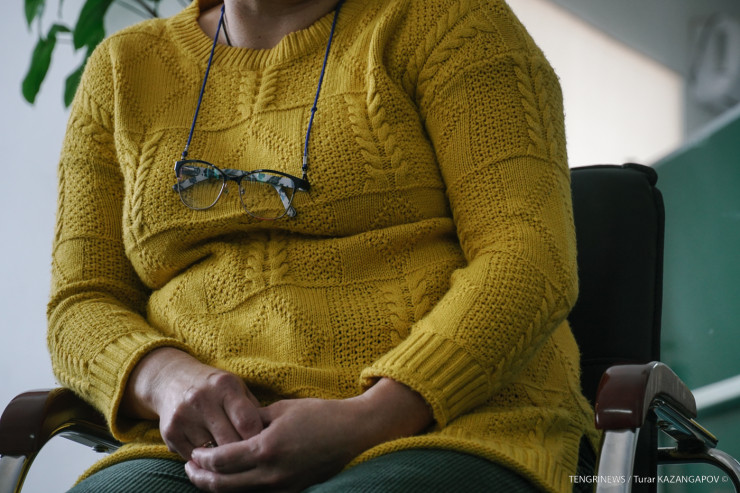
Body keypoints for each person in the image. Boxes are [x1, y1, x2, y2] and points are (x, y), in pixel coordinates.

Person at [47, 0, 599, 491]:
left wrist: (372, 416)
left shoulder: (454, 23)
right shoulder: (121, 68)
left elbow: (529, 256)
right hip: (198, 450)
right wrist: (165, 379)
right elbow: (81, 301)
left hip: (449, 427)